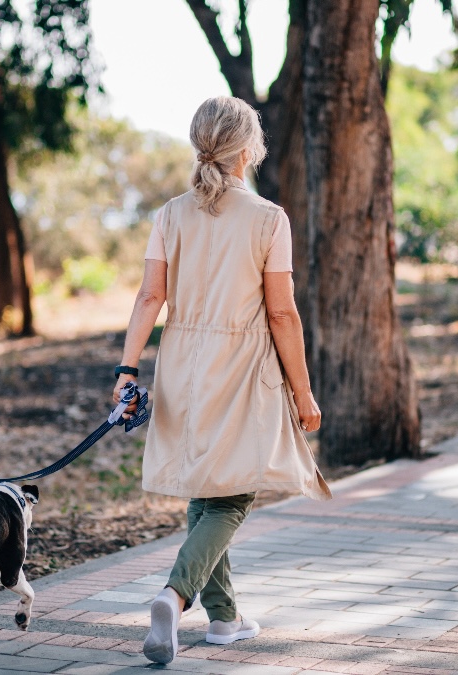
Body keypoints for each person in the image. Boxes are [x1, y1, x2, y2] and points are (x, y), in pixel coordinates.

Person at [112, 96, 332, 665]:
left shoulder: (169, 214)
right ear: (247, 147)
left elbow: (148, 297)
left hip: (181, 364)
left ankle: (225, 620)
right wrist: (303, 393)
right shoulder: (268, 218)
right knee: (233, 495)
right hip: (242, 367)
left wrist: (127, 369)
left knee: (208, 487)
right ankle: (174, 593)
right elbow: (282, 313)